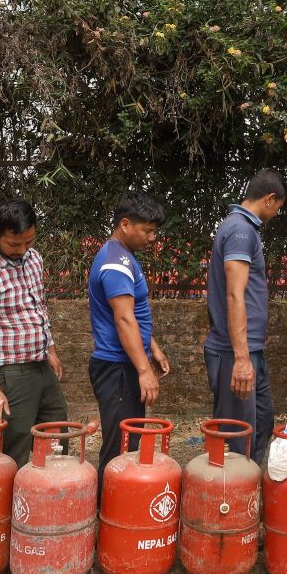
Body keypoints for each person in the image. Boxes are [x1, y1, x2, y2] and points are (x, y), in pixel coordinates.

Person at [0, 198, 66, 468]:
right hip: (8, 375)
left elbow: (39, 307)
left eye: (29, 242)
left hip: (41, 365)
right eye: (14, 244)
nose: (22, 250)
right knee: (12, 450)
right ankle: (9, 495)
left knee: (56, 439)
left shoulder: (33, 258)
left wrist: (50, 349)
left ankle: (51, 490)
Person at [204, 169, 286, 463]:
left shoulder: (243, 229)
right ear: (269, 199)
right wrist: (241, 359)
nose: (275, 214)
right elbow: (234, 294)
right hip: (234, 352)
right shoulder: (240, 231)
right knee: (236, 436)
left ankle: (250, 481)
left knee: (262, 422)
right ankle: (231, 488)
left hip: (251, 349)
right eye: (277, 208)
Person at [88, 192, 171, 483]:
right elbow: (123, 320)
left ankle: (120, 502)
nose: (152, 238)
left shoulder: (122, 257)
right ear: (125, 224)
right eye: (147, 230)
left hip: (123, 366)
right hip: (118, 369)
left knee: (128, 443)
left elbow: (132, 315)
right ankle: (106, 504)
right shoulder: (116, 264)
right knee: (119, 449)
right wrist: (144, 371)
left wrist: (153, 347)